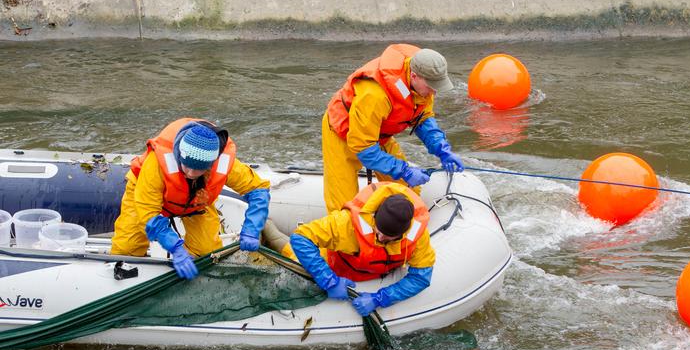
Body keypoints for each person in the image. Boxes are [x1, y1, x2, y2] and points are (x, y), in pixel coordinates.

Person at [110, 118, 271, 280]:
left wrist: (252, 228)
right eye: (187, 166)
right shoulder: (157, 163)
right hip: (144, 197)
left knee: (207, 253)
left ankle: (189, 278)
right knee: (127, 248)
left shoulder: (224, 162)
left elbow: (259, 190)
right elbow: (147, 213)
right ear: (179, 154)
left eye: (200, 169)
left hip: (197, 201)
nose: (191, 174)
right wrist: (175, 247)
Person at [322, 44, 465, 213]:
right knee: (343, 211)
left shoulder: (422, 85)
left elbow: (423, 119)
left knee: (409, 193)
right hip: (343, 132)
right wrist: (404, 170)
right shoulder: (374, 95)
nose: (434, 92)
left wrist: (442, 149)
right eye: (431, 86)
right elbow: (365, 149)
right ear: (414, 75)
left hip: (380, 133)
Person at [288, 182, 435, 316]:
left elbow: (421, 277)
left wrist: (380, 298)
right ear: (375, 216)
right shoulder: (346, 223)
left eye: (389, 237)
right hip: (331, 266)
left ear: (403, 232)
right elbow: (300, 238)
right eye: (379, 231)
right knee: (289, 253)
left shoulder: (418, 237)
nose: (381, 238)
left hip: (376, 276)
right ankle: (271, 232)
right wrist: (329, 281)